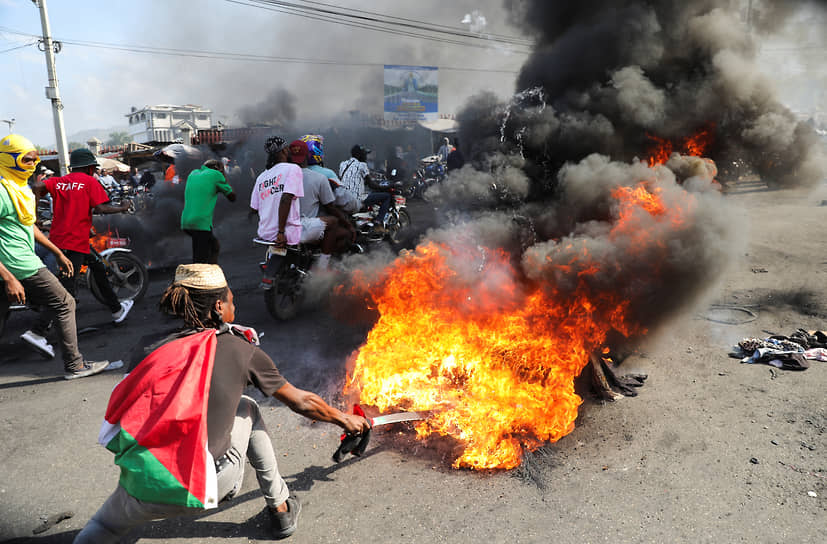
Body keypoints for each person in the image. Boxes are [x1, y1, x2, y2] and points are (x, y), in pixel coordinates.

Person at [73, 263, 370, 542]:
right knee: (248, 408)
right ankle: (280, 509)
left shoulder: (146, 348)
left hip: (143, 481)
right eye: (231, 300)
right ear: (218, 307)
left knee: (102, 526)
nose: (234, 306)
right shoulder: (239, 349)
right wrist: (346, 420)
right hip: (207, 484)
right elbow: (301, 401)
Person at [0, 134, 109, 379]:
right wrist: (8, 277)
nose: (32, 164)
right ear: (9, 160)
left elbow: (29, 225)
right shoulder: (3, 191)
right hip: (18, 264)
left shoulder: (20, 188)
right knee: (65, 302)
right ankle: (75, 365)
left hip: (25, 259)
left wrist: (57, 252)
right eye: (26, 159)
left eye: (34, 159)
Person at [33, 148, 134, 324]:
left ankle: (116, 309)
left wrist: (34, 217)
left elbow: (37, 186)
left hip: (61, 238)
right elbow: (101, 208)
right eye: (94, 168)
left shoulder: (60, 181)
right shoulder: (89, 181)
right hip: (74, 242)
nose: (95, 171)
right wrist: (123, 208)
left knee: (99, 268)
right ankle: (39, 329)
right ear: (88, 167)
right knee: (67, 288)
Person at [288, 139, 355, 265]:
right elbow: (331, 206)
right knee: (341, 230)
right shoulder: (321, 177)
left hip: (281, 227)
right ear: (308, 155)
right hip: (306, 227)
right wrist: (348, 225)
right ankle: (324, 266)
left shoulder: (280, 176)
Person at [250, 136, 303, 248]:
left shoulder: (261, 177)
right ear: (284, 150)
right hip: (288, 234)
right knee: (330, 224)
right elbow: (286, 198)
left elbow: (254, 208)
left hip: (265, 233)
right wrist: (281, 232)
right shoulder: (293, 168)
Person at [181, 159, 237, 264]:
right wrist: (223, 174)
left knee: (214, 246)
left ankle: (211, 273)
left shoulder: (193, 173)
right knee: (200, 261)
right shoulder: (216, 174)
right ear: (217, 168)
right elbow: (232, 197)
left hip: (186, 222)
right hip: (201, 223)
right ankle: (200, 278)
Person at [339, 144, 391, 234]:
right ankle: (378, 223)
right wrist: (385, 187)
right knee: (386, 196)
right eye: (364, 154)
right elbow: (372, 185)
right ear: (360, 155)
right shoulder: (362, 165)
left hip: (343, 198)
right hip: (356, 199)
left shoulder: (343, 164)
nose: (366, 156)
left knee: (367, 193)